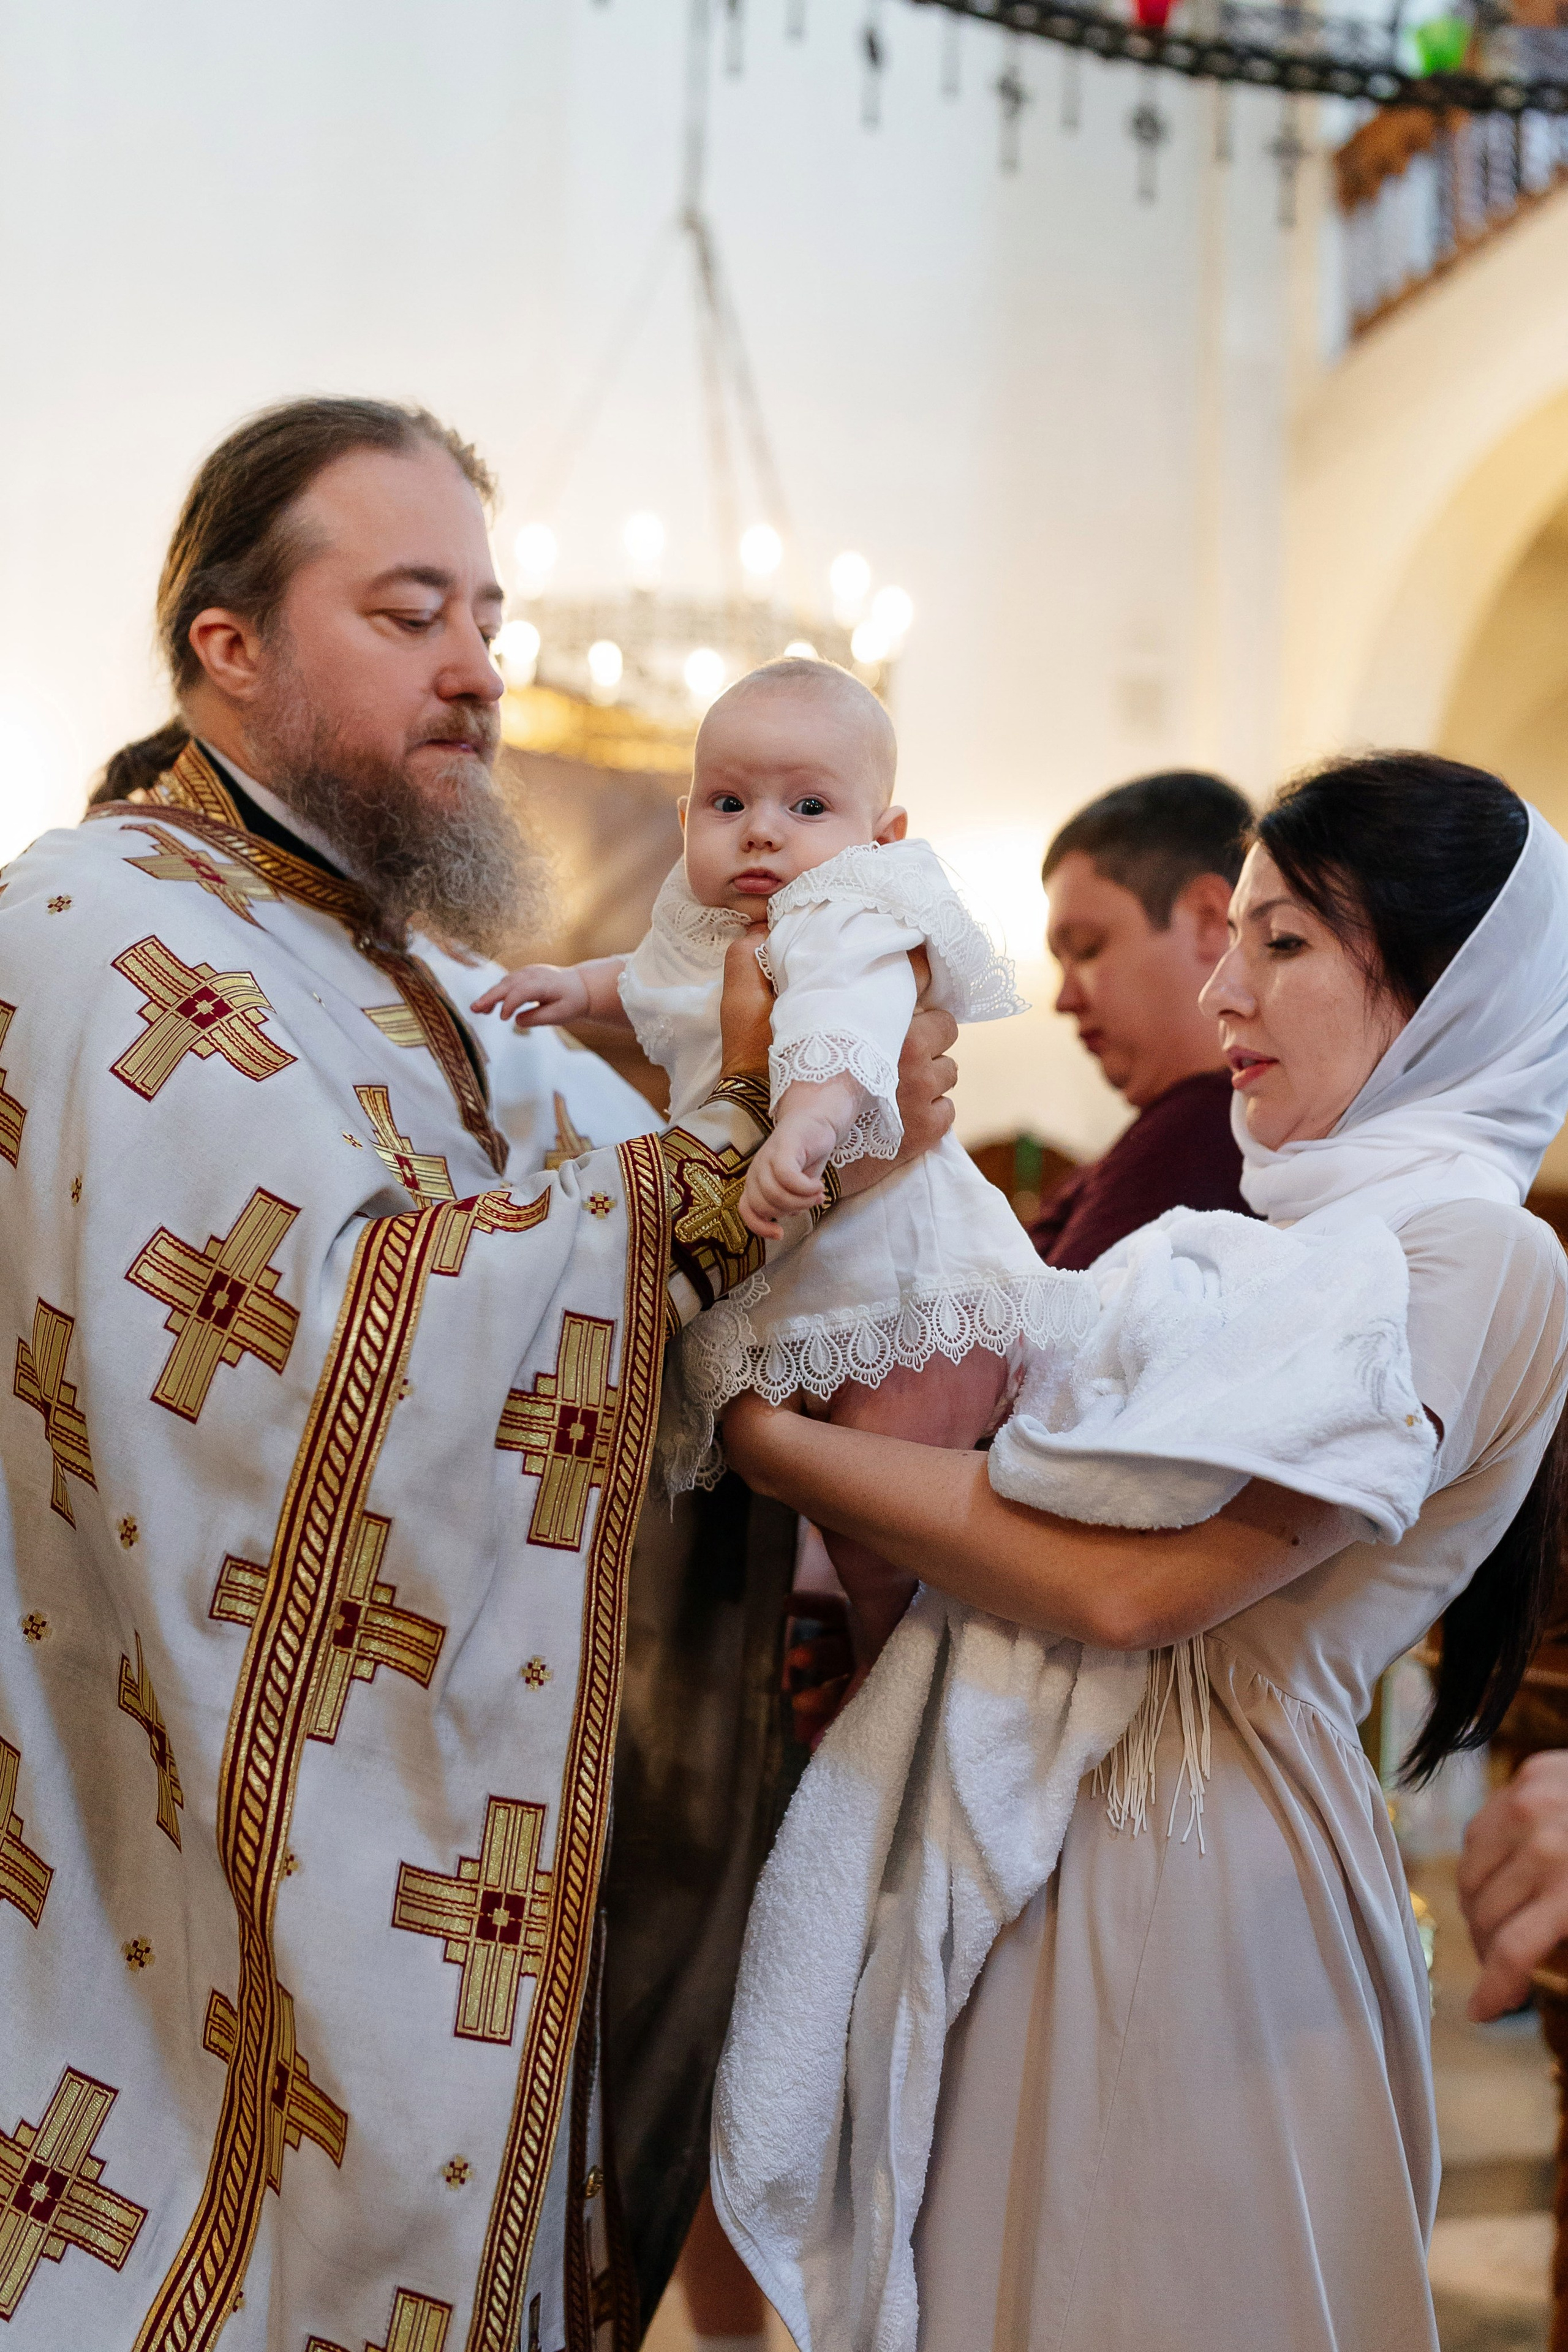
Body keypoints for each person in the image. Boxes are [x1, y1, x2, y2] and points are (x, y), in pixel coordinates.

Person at [0, 396, 957, 2352]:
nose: (480, 670)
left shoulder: (399, 973)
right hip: (172, 1857)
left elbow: (629, 1222)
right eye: (412, 610)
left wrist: (844, 1136)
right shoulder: (94, 926)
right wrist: (718, 1171)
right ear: (229, 646)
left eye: (491, 618)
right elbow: (307, 1347)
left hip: (436, 1832)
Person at [718, 752, 1568, 2351]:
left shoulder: (1475, 1246)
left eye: (1289, 943)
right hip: (1065, 1826)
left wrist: (758, 1439)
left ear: (1447, 979)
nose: (1227, 982)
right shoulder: (1265, 1248)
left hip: (1211, 1855)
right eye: (1230, 935)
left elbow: (1131, 1585)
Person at [480, 657, 1090, 1676]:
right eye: (729, 803)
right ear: (687, 820)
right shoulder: (718, 927)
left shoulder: (849, 913)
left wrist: (801, 1130)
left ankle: (910, 1697)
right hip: (824, 1271)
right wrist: (572, 990)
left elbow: (844, 1030)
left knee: (893, 1548)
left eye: (808, 804)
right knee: (854, 1544)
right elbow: (649, 985)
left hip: (904, 1292)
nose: (761, 829)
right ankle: (893, 1684)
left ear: (881, 837)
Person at [1032, 769, 1253, 1268]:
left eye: (1087, 949)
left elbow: (1031, 1343)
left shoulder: (1204, 1128)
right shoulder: (1188, 1121)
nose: (1064, 999)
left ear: (1209, 919)